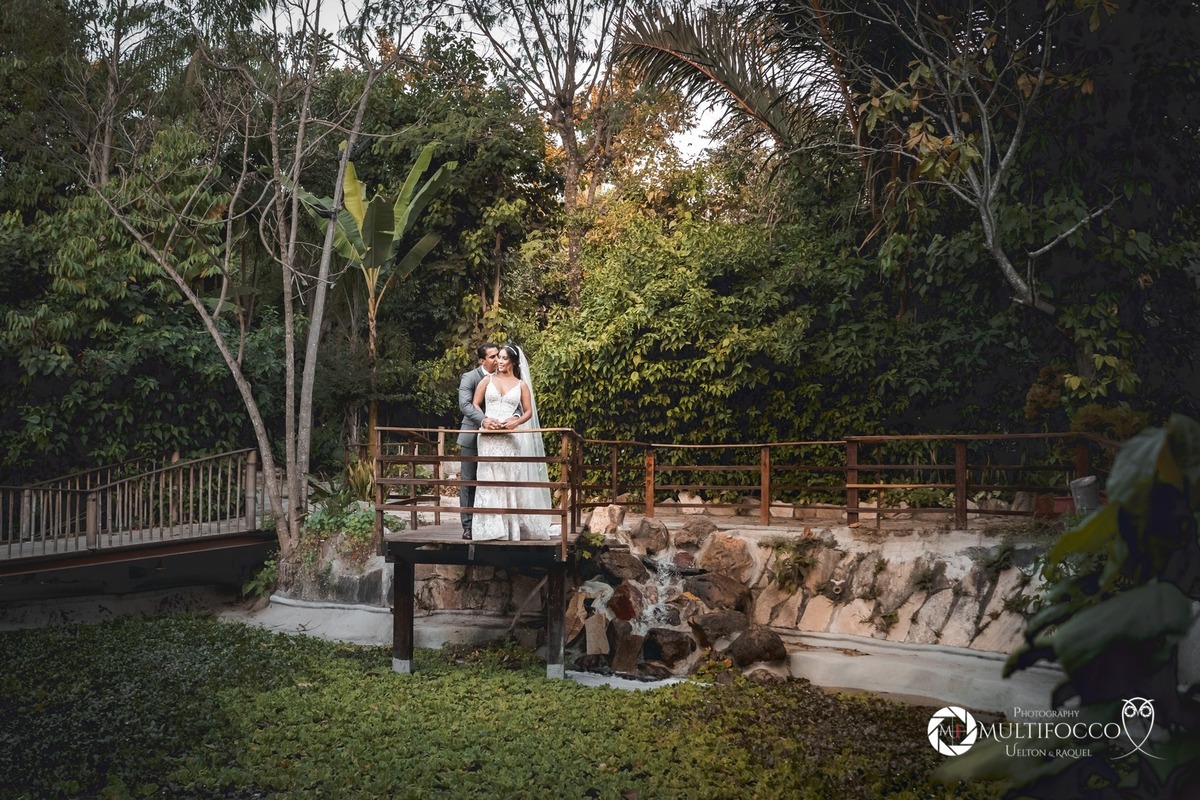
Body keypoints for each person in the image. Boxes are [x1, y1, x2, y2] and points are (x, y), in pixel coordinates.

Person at [468, 344, 552, 541]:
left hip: (510, 437)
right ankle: (490, 529)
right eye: (498, 358)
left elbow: (528, 411)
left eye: (504, 358)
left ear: (513, 361)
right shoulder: (486, 380)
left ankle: (510, 527)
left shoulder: (521, 385)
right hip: (489, 437)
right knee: (489, 479)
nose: (499, 361)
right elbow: (475, 404)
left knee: (509, 479)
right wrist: (485, 421)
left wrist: (515, 423)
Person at [457, 342, 498, 539]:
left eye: (498, 355)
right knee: (468, 482)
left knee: (496, 481)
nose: (497, 360)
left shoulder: (505, 376)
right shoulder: (470, 377)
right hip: (472, 435)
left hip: (498, 439)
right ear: (482, 360)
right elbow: (465, 405)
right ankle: (468, 526)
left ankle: (494, 523)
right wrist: (484, 420)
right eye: (492, 357)